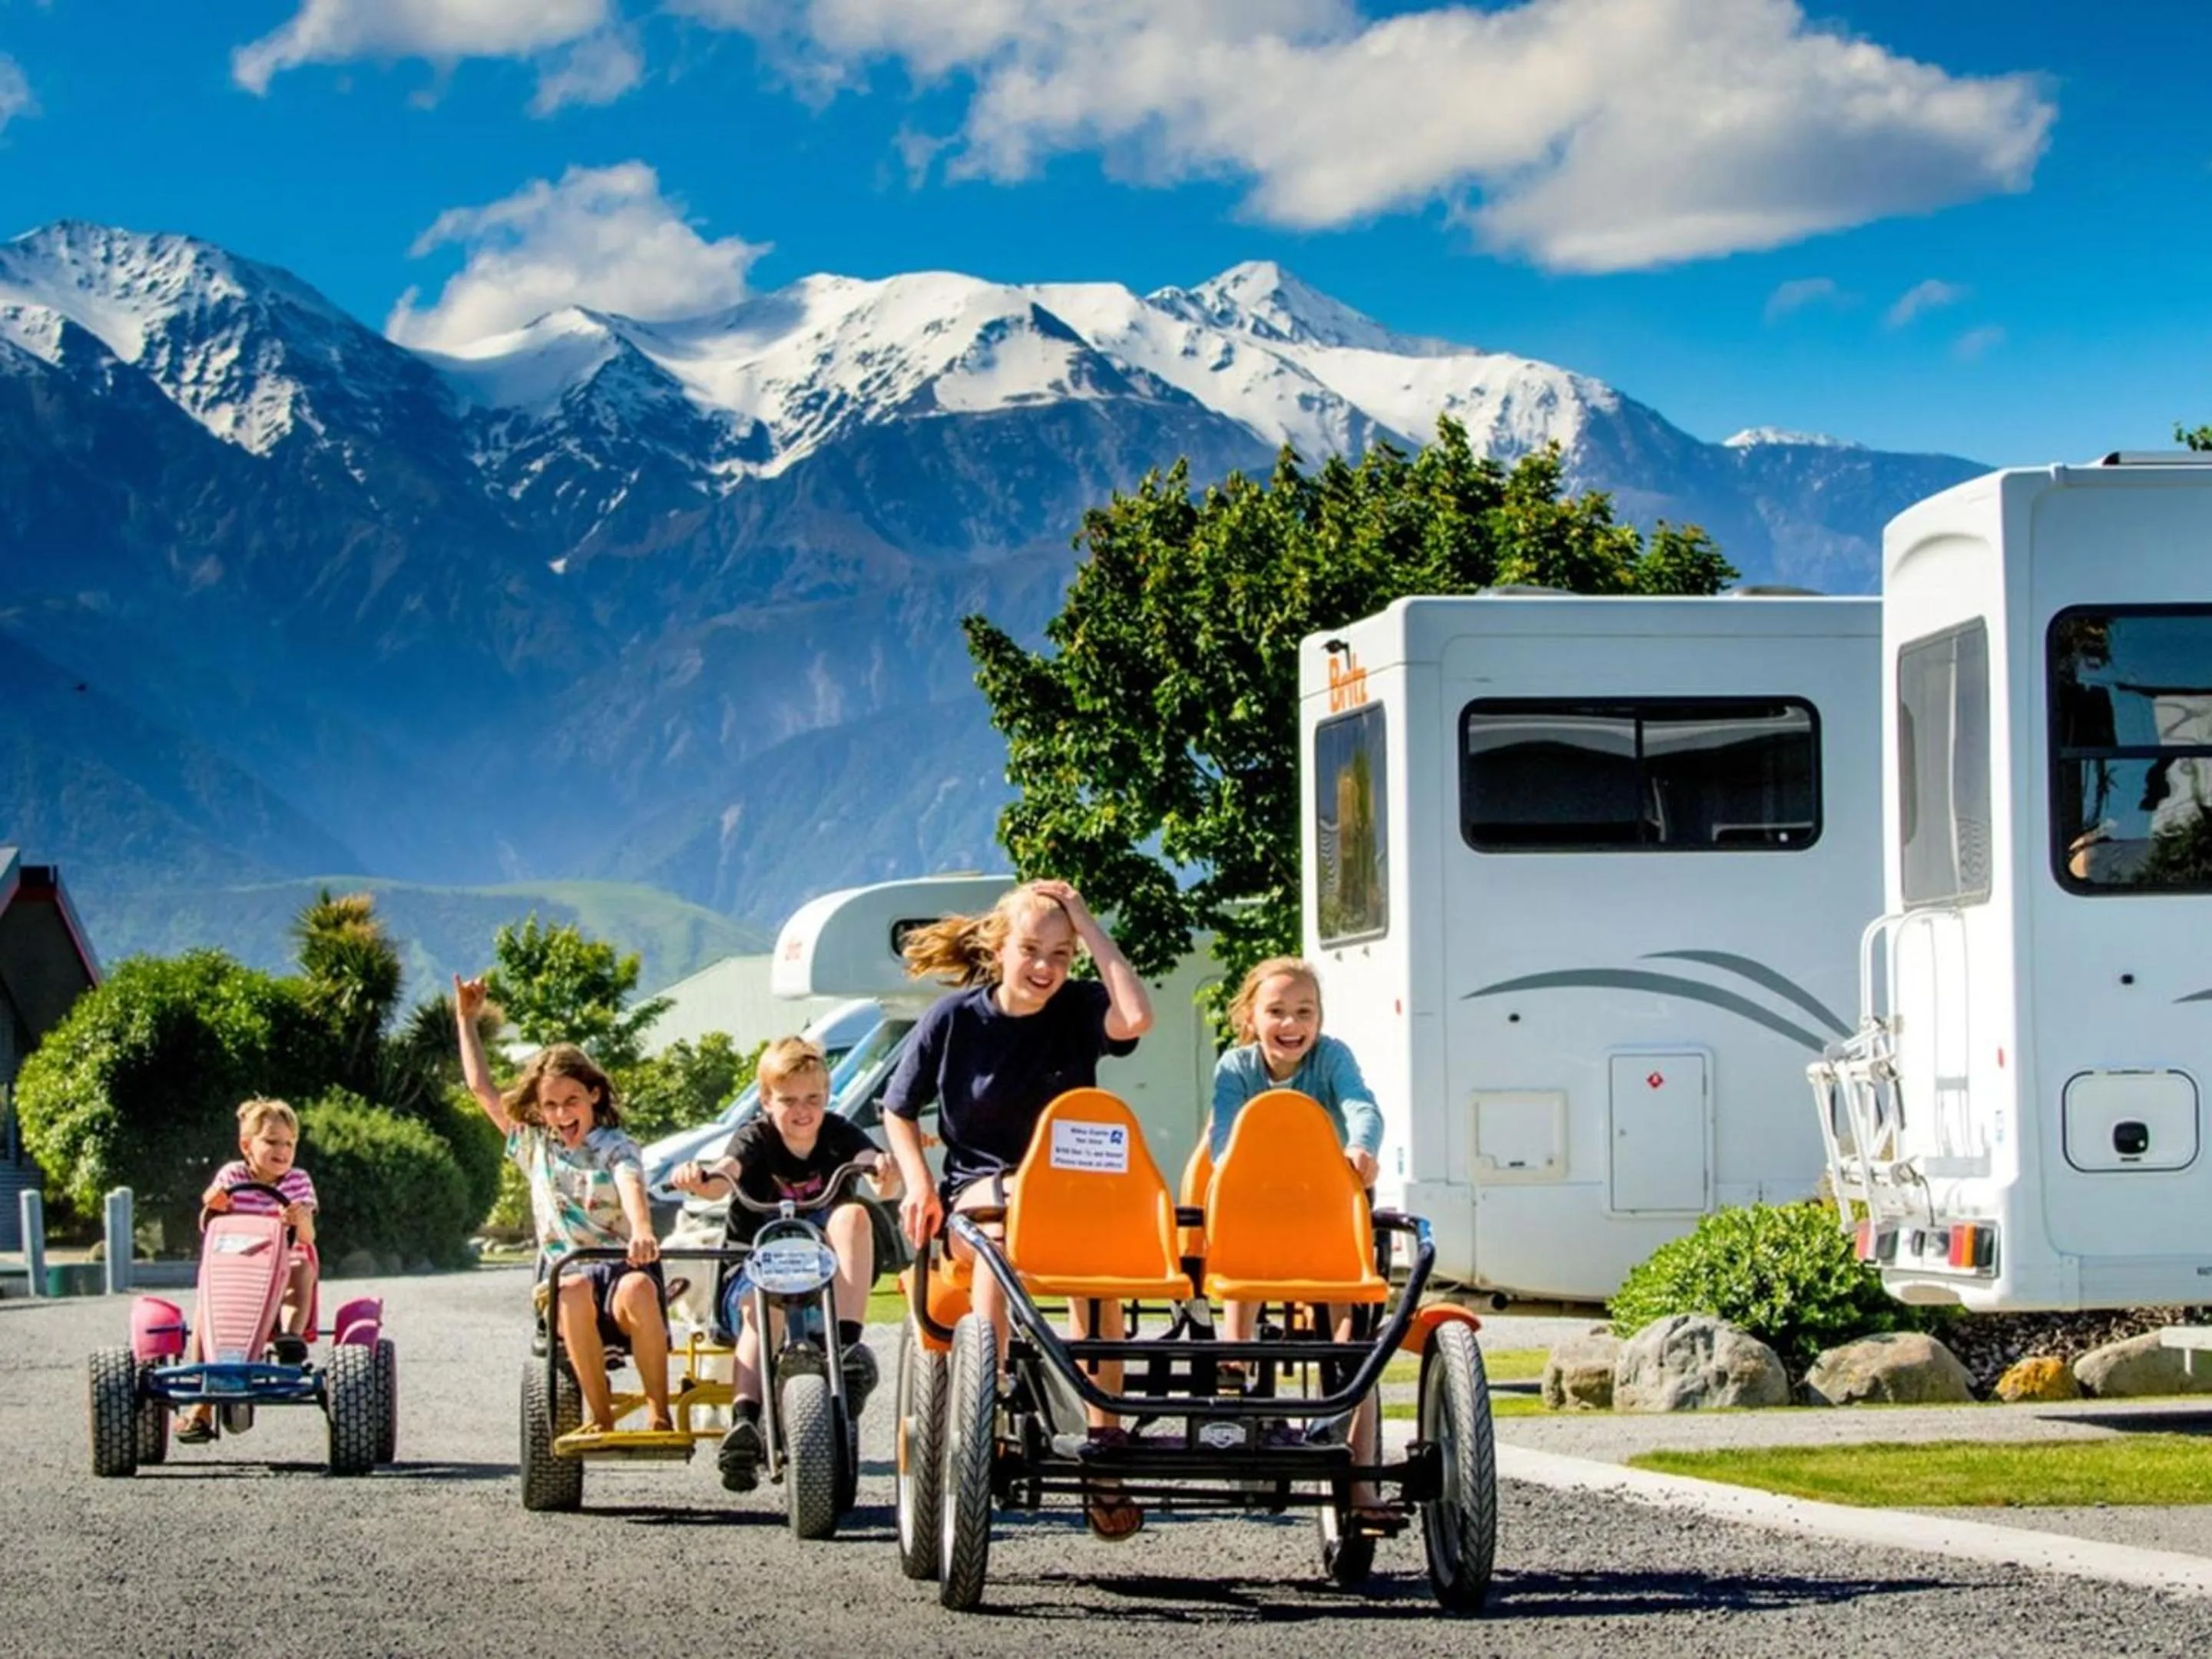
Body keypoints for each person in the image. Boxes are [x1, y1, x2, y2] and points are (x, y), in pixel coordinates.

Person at [879, 879, 1154, 1541]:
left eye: (1061, 955)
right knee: (996, 1242)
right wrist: (918, 1183)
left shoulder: (1080, 1008)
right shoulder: (954, 1019)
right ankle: (987, 1396)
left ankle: (1104, 1442)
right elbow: (896, 1108)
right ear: (1000, 948)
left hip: (1068, 1189)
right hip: (985, 1186)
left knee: (1104, 1271)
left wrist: (1085, 919)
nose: (1045, 967)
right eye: (1032, 949)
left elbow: (1136, 1017)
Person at [669, 1035, 902, 1492]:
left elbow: (873, 1167)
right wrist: (700, 1179)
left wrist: (882, 1168)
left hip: (823, 1286)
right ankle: (746, 1422)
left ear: (827, 1097)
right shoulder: (756, 1137)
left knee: (854, 1213)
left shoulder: (837, 1133)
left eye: (813, 1098)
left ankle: (848, 1347)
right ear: (765, 1101)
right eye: (789, 1100)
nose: (803, 1110)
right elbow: (725, 1176)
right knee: (767, 1302)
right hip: (753, 1280)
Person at [1207, 956, 1388, 1522]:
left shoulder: (1331, 1058)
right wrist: (1238, 1171)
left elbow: (1363, 1106)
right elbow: (1223, 1133)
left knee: (1358, 1337)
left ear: (1320, 1018)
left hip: (1326, 1205)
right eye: (1277, 1011)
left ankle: (1360, 1482)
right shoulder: (1236, 1067)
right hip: (1255, 1204)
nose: (1292, 1024)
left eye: (1304, 1012)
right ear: (1251, 1017)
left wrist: (1361, 1147)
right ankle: (1236, 1358)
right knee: (1244, 1238)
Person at [454, 974, 671, 1439]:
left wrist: (642, 1228)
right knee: (570, 1289)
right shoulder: (536, 1147)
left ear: (593, 1095)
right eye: (550, 1105)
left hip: (622, 1267)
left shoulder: (615, 1145)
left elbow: (630, 1182)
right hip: (568, 1272)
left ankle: (659, 1413)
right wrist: (466, 1022)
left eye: (571, 1101)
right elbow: (482, 1090)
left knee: (639, 1291)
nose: (561, 1114)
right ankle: (601, 1415)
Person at [174, 1097, 320, 1443]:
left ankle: (290, 1337)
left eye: (289, 1143)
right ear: (247, 1145)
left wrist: (298, 1220)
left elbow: (309, 1236)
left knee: (302, 1262)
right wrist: (214, 1202)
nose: (282, 1151)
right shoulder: (232, 1175)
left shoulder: (297, 1181)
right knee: (205, 1305)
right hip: (236, 1268)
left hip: (282, 1266)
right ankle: (202, 1402)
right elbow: (208, 1223)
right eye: (271, 1142)